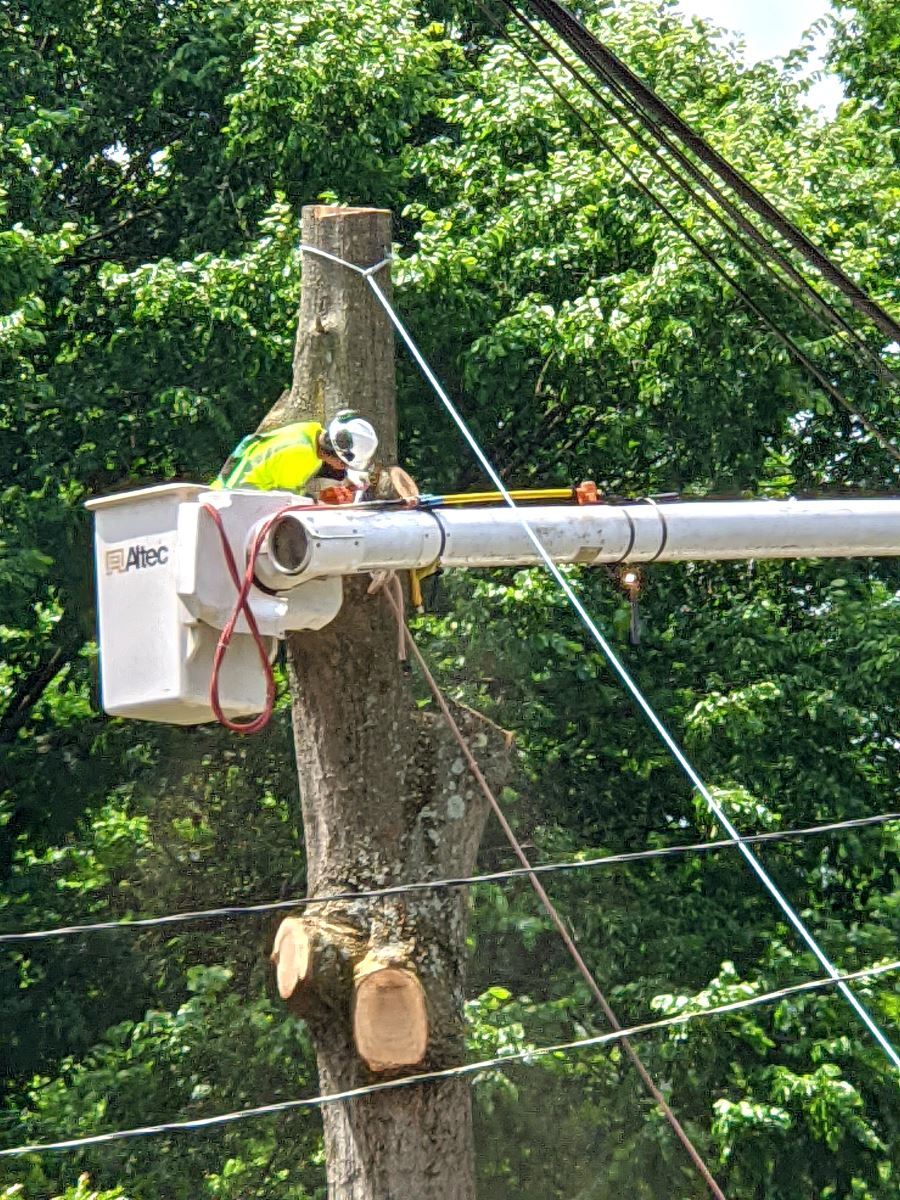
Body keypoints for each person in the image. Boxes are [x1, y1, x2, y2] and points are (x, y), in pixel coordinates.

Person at [211, 410, 378, 497]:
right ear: (336, 456)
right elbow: (289, 503)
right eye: (344, 465)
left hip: (226, 491)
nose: (341, 469)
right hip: (232, 504)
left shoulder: (310, 431)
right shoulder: (301, 455)